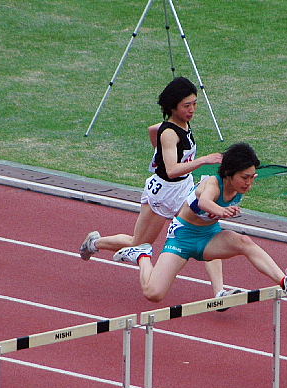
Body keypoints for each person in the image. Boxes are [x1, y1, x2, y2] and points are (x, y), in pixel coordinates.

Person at [80, 77, 235, 298]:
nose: (192, 110)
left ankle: (220, 291)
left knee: (206, 229)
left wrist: (158, 152)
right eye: (186, 105)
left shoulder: (181, 124)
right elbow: (171, 170)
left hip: (185, 188)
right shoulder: (170, 133)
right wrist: (203, 160)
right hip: (163, 193)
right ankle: (94, 242)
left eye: (194, 104)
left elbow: (153, 129)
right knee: (139, 243)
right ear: (173, 106)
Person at [112, 143, 287, 303]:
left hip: (209, 238)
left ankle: (286, 282)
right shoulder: (212, 183)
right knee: (154, 294)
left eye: (252, 177)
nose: (249, 183)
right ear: (229, 173)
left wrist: (225, 211)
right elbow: (204, 202)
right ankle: (141, 255)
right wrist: (221, 210)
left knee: (244, 242)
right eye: (244, 178)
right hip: (182, 238)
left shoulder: (239, 187)